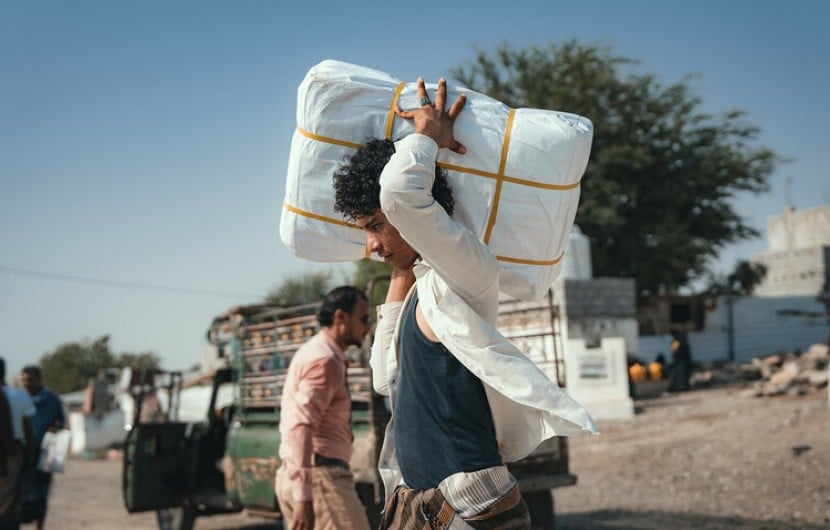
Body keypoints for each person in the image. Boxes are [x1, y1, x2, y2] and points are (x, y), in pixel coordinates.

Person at [332, 77, 598, 529]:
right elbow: (384, 377)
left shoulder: (467, 272)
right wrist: (399, 265)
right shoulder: (419, 287)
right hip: (425, 507)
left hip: (471, 509)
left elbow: (399, 191)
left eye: (376, 225)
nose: (372, 245)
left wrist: (427, 139)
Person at [275, 285, 373, 530]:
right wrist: (304, 496)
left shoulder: (318, 352)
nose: (368, 326)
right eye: (363, 318)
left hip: (306, 476)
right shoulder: (325, 360)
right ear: (341, 317)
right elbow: (301, 426)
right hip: (322, 479)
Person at [19, 366, 65, 530]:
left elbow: (61, 422)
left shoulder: (51, 400)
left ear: (39, 380)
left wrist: (56, 428)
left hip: (44, 454)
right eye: (24, 380)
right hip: (21, 455)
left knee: (41, 494)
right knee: (18, 495)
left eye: (30, 379)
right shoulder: (18, 398)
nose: (26, 383)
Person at [0, 358, 35, 530]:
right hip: (12, 455)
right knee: (10, 504)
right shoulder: (19, 395)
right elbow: (28, 431)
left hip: (9, 454)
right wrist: (30, 458)